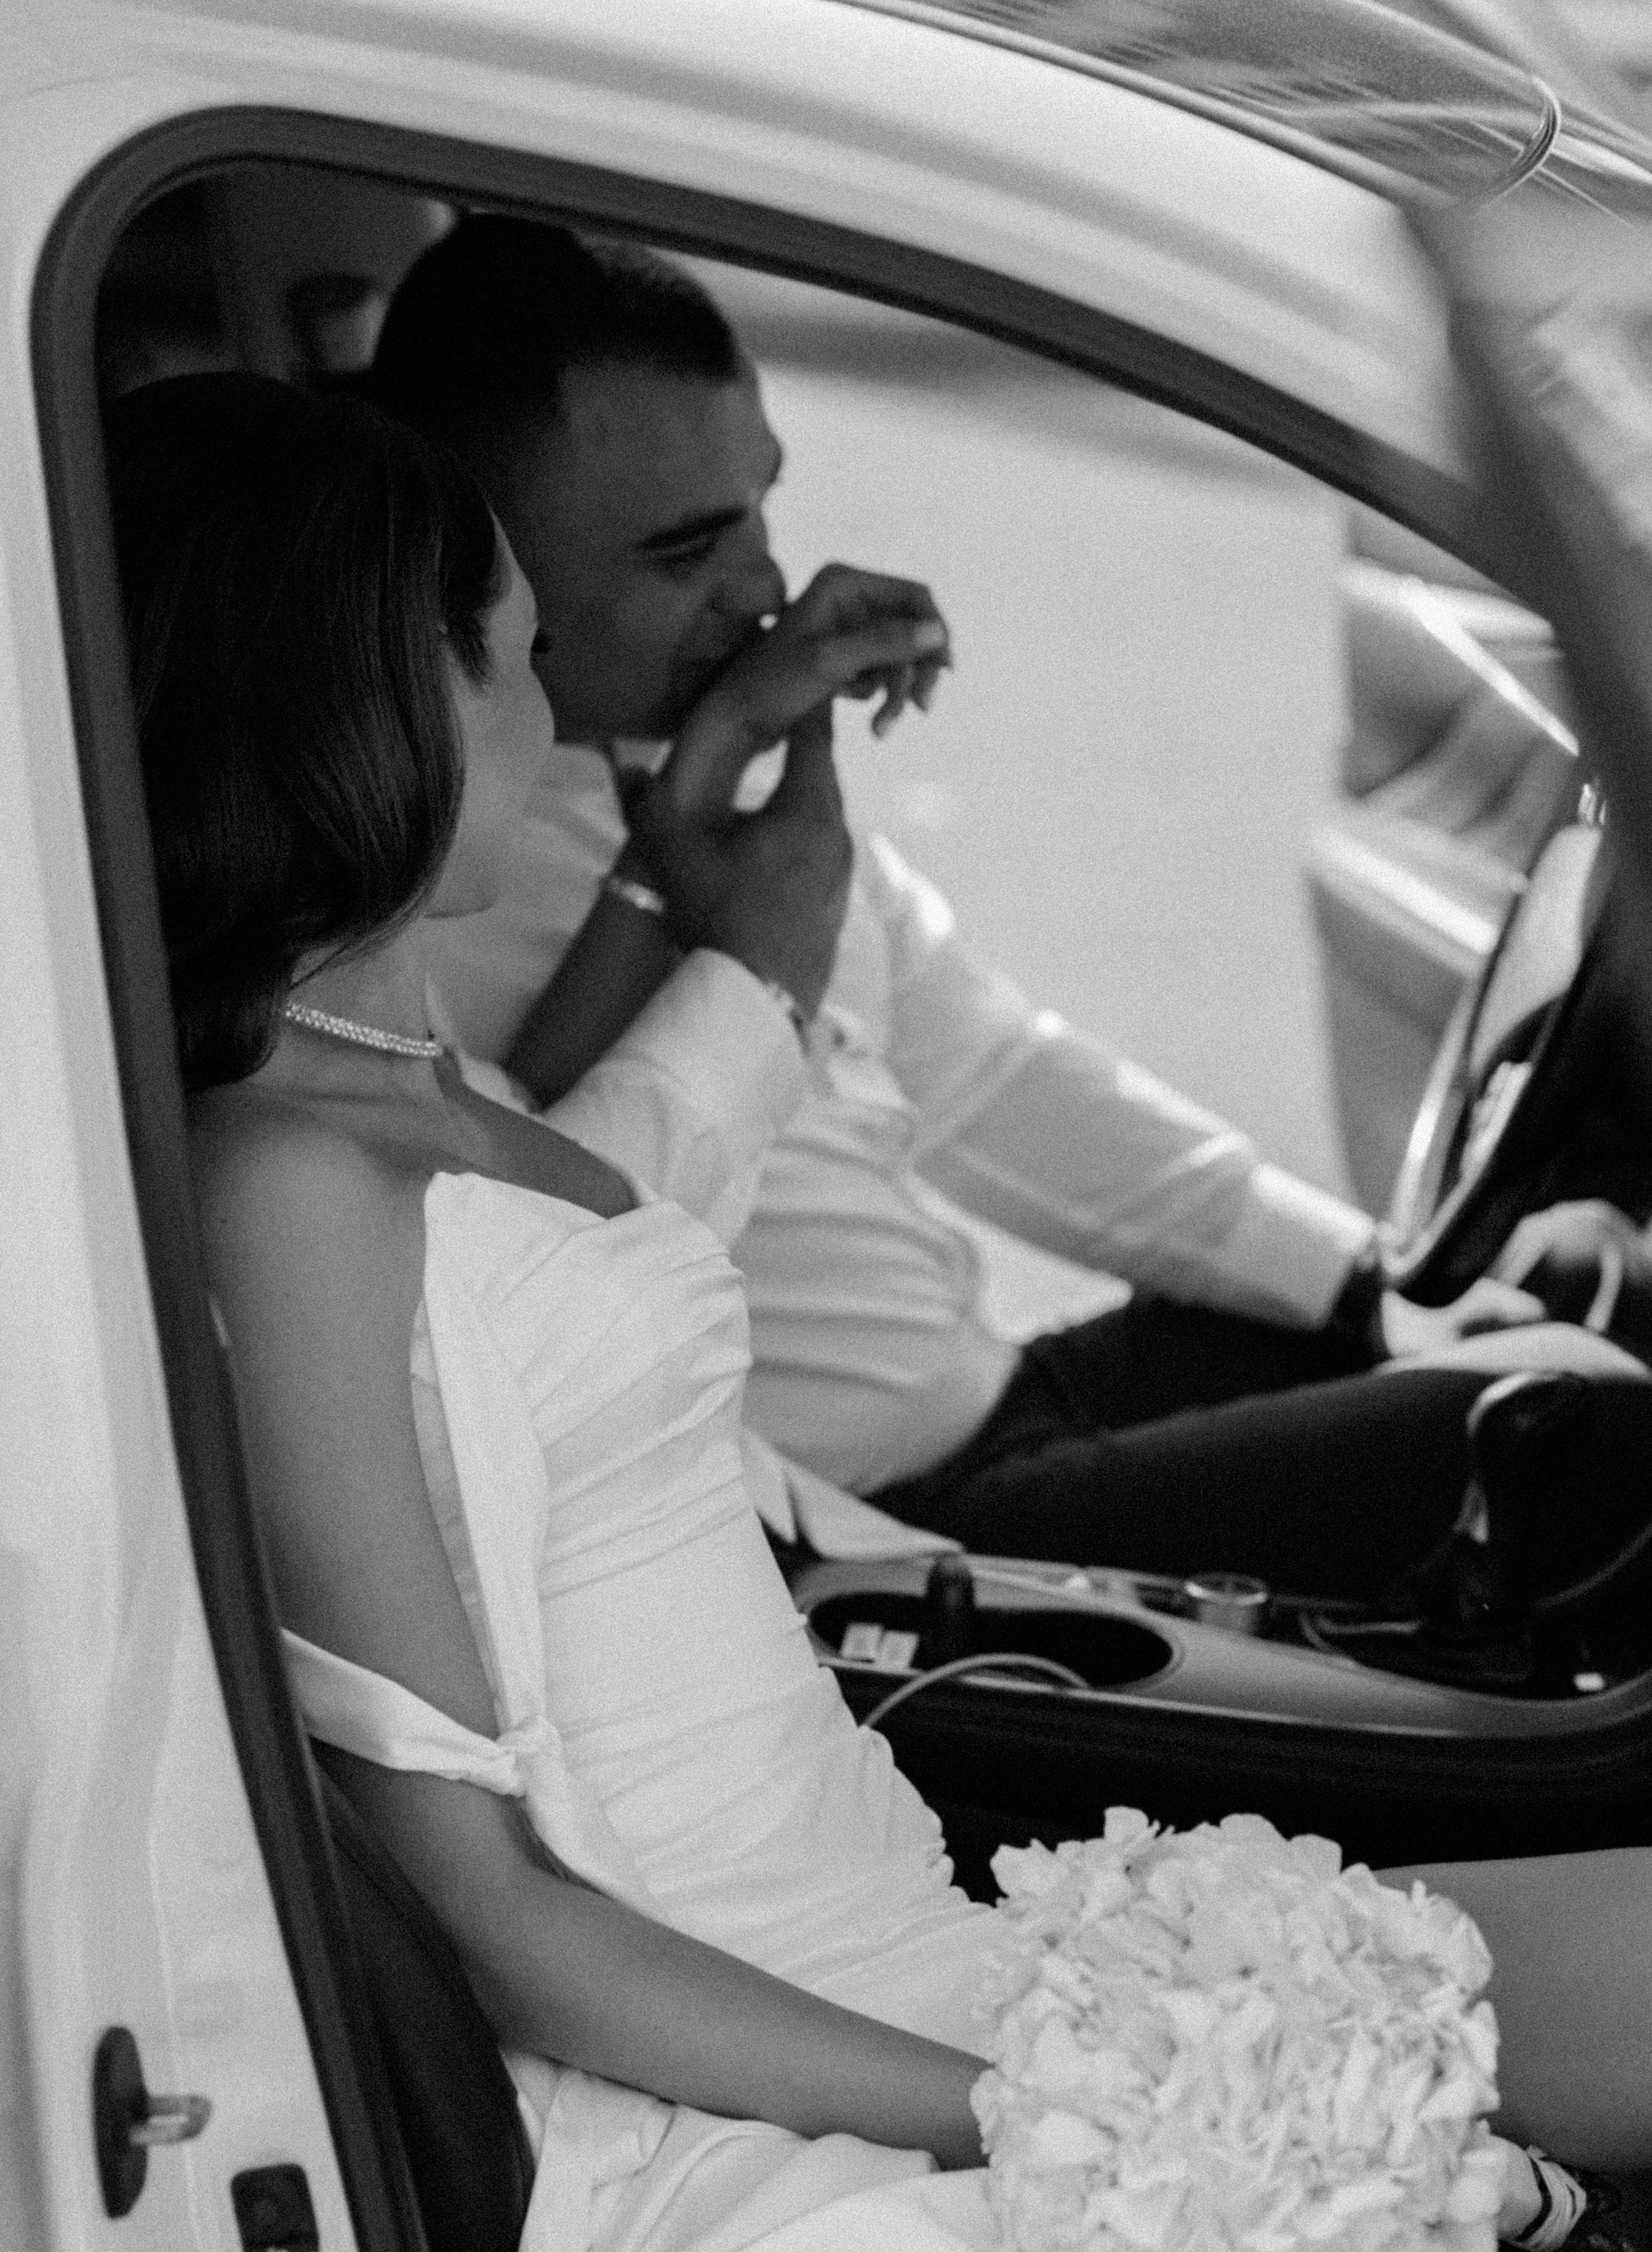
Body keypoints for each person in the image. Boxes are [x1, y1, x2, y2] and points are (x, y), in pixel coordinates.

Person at [118, 364, 1649, 2252]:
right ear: (360, 703)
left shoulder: (401, 1073)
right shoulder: (287, 1179)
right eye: (508, 651)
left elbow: (566, 1231)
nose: (550, 703)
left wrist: (690, 871)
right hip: (757, 2057)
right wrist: (1033, 2109)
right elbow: (487, 1903)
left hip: (907, 1929)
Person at [369, 217, 1629, 1599]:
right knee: (1588, 1426)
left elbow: (989, 1080)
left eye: (761, 508)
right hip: (878, 1534)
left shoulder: (700, 765)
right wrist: (708, 910)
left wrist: (1370, 1285)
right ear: (482, 574)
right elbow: (539, 1276)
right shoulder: (413, 898)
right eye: (684, 556)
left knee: (1564, 1284)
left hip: (1007, 1398)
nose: (769, 589)